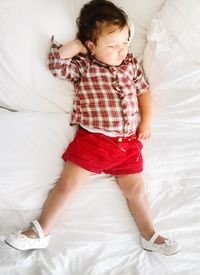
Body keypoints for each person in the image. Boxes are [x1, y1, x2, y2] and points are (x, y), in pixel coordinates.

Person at [5, 0, 181, 255]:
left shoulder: (130, 64)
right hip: (94, 141)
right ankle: (40, 231)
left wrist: (147, 121)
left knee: (137, 190)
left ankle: (149, 234)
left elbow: (144, 92)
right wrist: (75, 47)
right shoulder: (85, 65)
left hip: (127, 144)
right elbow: (56, 64)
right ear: (91, 46)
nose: (121, 50)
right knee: (67, 185)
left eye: (125, 43)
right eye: (113, 46)